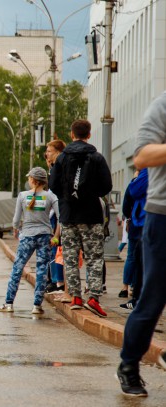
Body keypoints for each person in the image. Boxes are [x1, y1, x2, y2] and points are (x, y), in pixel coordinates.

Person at [117, 93, 166, 397]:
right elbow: (142, 157)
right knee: (153, 297)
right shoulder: (162, 106)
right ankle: (128, 365)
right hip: (162, 215)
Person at [48, 119, 112, 317]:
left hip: (68, 215)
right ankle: (93, 297)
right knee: (94, 258)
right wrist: (90, 195)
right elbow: (106, 186)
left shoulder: (62, 159)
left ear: (71, 134)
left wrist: (67, 198)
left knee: (70, 257)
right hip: (91, 215)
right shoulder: (97, 158)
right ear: (89, 135)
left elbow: (53, 185)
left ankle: (75, 297)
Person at [0, 167, 59, 314]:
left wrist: (16, 229)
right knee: (42, 270)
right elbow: (60, 218)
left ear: (33, 180)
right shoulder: (51, 197)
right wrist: (55, 236)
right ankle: (37, 306)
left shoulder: (23, 196)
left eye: (29, 178)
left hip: (27, 236)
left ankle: (9, 303)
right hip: (45, 236)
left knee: (17, 269)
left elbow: (16, 219)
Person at [119, 168, 147, 310]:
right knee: (136, 257)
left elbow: (133, 191)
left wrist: (134, 179)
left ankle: (136, 296)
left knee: (137, 258)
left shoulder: (148, 171)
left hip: (143, 221)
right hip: (140, 220)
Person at [44, 139, 67, 296]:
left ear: (58, 152)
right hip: (56, 214)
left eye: (49, 151)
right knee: (54, 250)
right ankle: (53, 280)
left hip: (60, 214)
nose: (47, 154)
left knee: (57, 249)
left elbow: (55, 190)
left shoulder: (61, 167)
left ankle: (58, 282)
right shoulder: (54, 168)